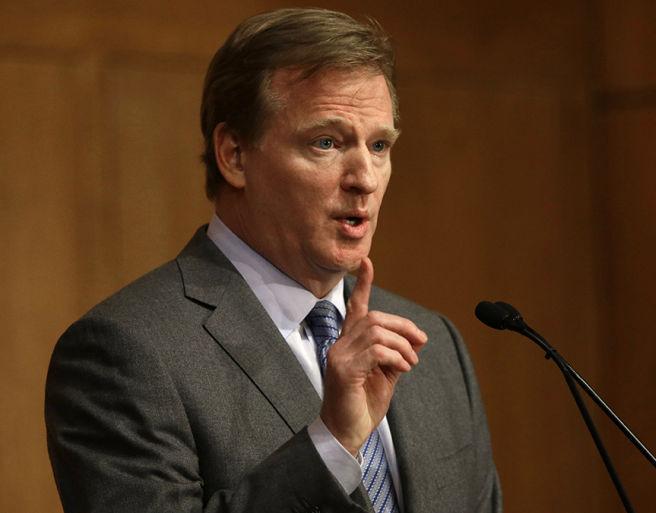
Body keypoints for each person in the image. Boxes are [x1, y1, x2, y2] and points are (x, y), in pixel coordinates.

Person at [45, 8, 501, 513]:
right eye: (326, 142)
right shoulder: (126, 353)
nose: (365, 178)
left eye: (379, 145)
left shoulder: (432, 350)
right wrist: (331, 445)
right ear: (234, 155)